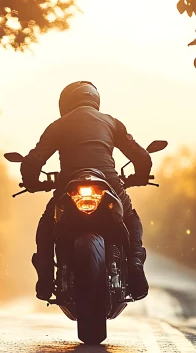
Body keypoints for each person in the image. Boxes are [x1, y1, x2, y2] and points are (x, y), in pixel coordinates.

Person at [20, 81, 151, 301]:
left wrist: (32, 183)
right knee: (130, 218)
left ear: (66, 102)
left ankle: (44, 278)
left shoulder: (59, 125)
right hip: (108, 182)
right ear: (95, 99)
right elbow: (142, 158)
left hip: (69, 185)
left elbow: (32, 161)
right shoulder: (112, 122)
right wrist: (140, 177)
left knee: (47, 224)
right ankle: (136, 266)